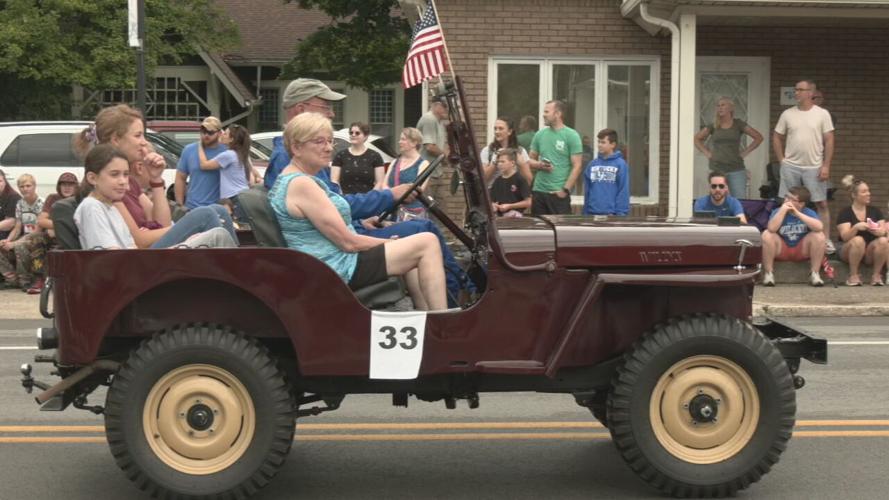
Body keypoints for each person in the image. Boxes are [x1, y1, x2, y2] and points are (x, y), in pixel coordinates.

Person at [270, 112, 446, 311]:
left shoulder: (299, 178)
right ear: (296, 147)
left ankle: (427, 322)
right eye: (319, 142)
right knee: (427, 242)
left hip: (329, 262)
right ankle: (445, 324)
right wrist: (390, 242)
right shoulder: (302, 184)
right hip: (336, 267)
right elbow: (348, 243)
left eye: (330, 141)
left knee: (414, 249)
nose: (328, 148)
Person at [74, 104, 238, 249]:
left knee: (218, 210)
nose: (144, 142)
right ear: (116, 140)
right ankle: (238, 273)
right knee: (205, 215)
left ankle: (238, 268)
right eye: (138, 135)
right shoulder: (108, 188)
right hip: (143, 262)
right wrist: (188, 227)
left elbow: (162, 223)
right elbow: (139, 241)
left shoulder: (127, 182)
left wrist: (156, 179)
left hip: (146, 252)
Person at [75, 145, 235, 250]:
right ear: (92, 178)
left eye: (125, 175)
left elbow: (133, 245)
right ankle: (242, 277)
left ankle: (240, 273)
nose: (123, 181)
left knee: (218, 213)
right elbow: (110, 258)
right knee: (208, 220)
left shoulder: (110, 205)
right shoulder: (92, 207)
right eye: (114, 175)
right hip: (138, 271)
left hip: (140, 261)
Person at [772, 79, 835, 253]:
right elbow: (777, 136)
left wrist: (826, 166)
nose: (796, 93)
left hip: (814, 166)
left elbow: (829, 140)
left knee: (821, 203)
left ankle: (826, 239)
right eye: (795, 89)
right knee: (787, 202)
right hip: (791, 165)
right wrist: (781, 160)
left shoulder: (822, 114)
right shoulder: (787, 114)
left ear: (810, 93)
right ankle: (782, 237)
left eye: (800, 90)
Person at [693, 97, 763, 198]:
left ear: (731, 108)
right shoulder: (713, 125)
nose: (720, 108)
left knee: (739, 200)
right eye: (718, 105)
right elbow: (697, 139)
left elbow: (758, 137)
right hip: (717, 169)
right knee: (717, 198)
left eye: (723, 105)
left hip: (736, 169)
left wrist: (745, 152)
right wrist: (707, 153)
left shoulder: (738, 124)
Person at [760, 186, 826, 287]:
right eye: (786, 197)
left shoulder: (808, 212)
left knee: (819, 236)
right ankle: (769, 273)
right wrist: (782, 211)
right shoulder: (778, 211)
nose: (786, 200)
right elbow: (772, 228)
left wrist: (797, 213)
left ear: (801, 203)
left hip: (801, 250)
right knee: (767, 235)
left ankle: (814, 273)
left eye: (791, 199)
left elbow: (819, 227)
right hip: (782, 249)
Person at [528, 100, 583, 215]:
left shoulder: (571, 135)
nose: (543, 114)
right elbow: (529, 161)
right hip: (538, 191)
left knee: (561, 230)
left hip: (558, 194)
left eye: (547, 111)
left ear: (557, 114)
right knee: (539, 230)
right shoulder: (539, 135)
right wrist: (540, 165)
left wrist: (565, 190)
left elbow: (577, 166)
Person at [836, 176, 888, 286]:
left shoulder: (875, 211)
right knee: (858, 240)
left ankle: (876, 275)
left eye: (868, 191)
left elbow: (883, 232)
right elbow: (844, 237)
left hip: (869, 252)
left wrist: (877, 231)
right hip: (848, 251)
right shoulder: (845, 212)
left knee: (883, 241)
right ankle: (853, 276)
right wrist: (856, 228)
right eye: (864, 191)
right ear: (854, 195)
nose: (868, 193)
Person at [198, 124, 256, 220]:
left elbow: (204, 165)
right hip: (244, 196)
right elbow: (251, 180)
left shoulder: (228, 155)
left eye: (225, 134)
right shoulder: (241, 153)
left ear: (231, 139)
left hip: (234, 198)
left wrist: (200, 145)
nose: (222, 134)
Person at [0, 174, 44, 292]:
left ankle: (25, 280)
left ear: (34, 186)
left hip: (38, 238)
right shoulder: (20, 204)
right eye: (22, 186)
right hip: (24, 235)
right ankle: (11, 279)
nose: (25, 189)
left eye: (28, 185)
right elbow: (18, 227)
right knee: (1, 245)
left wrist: (15, 243)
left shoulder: (41, 203)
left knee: (19, 247)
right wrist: (8, 241)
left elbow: (37, 231)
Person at [377, 128, 430, 221]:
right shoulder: (394, 162)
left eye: (403, 139)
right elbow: (384, 185)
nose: (399, 142)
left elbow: (418, 190)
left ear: (414, 143)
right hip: (391, 212)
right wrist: (393, 194)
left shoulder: (423, 164)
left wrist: (392, 194)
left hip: (411, 215)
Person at [176, 116, 226, 210]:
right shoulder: (189, 150)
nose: (206, 135)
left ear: (219, 133)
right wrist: (180, 204)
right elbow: (180, 177)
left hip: (217, 208)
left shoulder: (226, 151)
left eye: (210, 132)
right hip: (192, 207)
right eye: (203, 131)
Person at [582, 128, 630, 216]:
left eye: (603, 142)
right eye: (598, 142)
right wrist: (585, 213)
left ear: (613, 144)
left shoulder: (620, 164)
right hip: (592, 214)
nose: (599, 145)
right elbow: (587, 191)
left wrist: (620, 215)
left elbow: (623, 190)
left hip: (612, 215)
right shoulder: (592, 165)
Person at [331, 122, 385, 195]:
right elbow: (334, 180)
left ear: (365, 136)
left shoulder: (375, 156)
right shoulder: (340, 155)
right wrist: (341, 196)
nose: (353, 135)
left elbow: (380, 182)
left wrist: (370, 197)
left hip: (368, 200)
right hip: (346, 199)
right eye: (351, 132)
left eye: (357, 133)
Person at [480, 117, 531, 185]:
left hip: (514, 193)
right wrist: (495, 162)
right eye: (495, 129)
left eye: (501, 128)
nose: (497, 131)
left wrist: (522, 164)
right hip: (492, 193)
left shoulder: (520, 151)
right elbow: (483, 179)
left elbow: (529, 181)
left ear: (509, 131)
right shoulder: (488, 151)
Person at [489, 149, 531, 217]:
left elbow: (528, 202)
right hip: (499, 216)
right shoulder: (497, 181)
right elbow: (491, 200)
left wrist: (510, 206)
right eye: (498, 162)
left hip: (515, 215)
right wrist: (494, 205)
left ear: (512, 163)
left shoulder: (520, 179)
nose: (499, 164)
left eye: (502, 162)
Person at [416, 96, 448, 163]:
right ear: (436, 105)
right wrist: (445, 156)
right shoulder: (429, 119)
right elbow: (430, 147)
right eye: (445, 106)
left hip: (435, 170)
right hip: (426, 169)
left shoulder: (439, 122)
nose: (447, 109)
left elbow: (440, 145)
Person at [0, 168, 21, 242]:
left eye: (0, 181)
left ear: (5, 182)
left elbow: (11, 222)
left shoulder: (13, 197)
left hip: (7, 232)